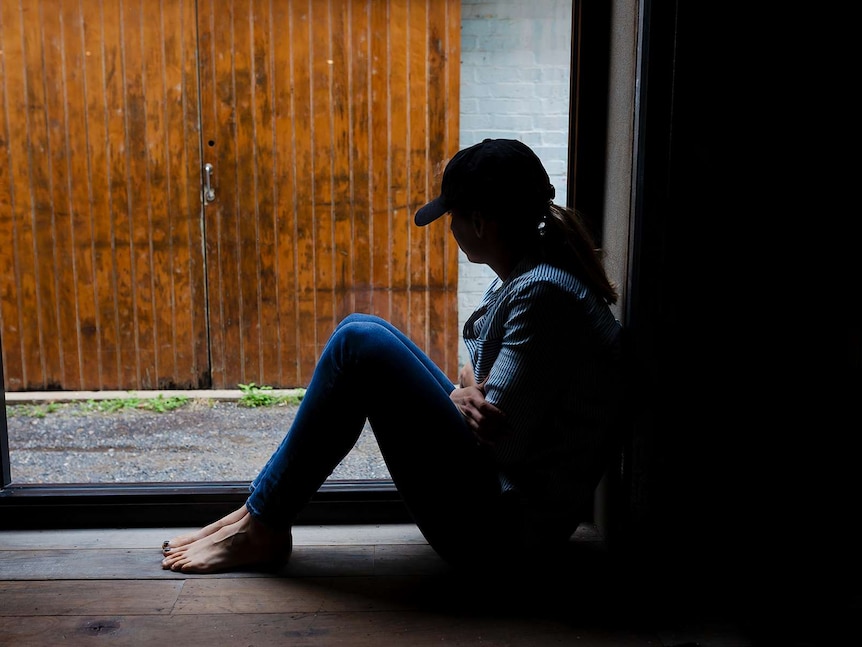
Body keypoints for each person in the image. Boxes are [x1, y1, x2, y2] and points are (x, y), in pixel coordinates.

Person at [161, 138, 623, 574]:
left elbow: (499, 440)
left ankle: (262, 524)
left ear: (480, 223)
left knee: (359, 346)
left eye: (453, 217)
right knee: (361, 329)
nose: (451, 228)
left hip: (501, 536)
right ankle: (258, 513)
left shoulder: (541, 294)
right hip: (498, 502)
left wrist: (462, 393)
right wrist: (463, 393)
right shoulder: (530, 274)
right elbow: (481, 387)